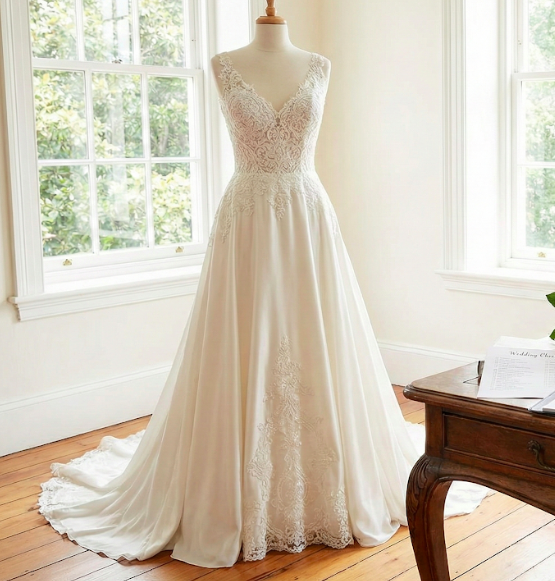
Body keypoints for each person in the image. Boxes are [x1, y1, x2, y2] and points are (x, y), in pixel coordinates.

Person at [38, 6, 484, 568]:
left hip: (305, 217)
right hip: (247, 218)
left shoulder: (319, 65)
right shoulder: (223, 64)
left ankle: (332, 483)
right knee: (242, 338)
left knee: (315, 335)